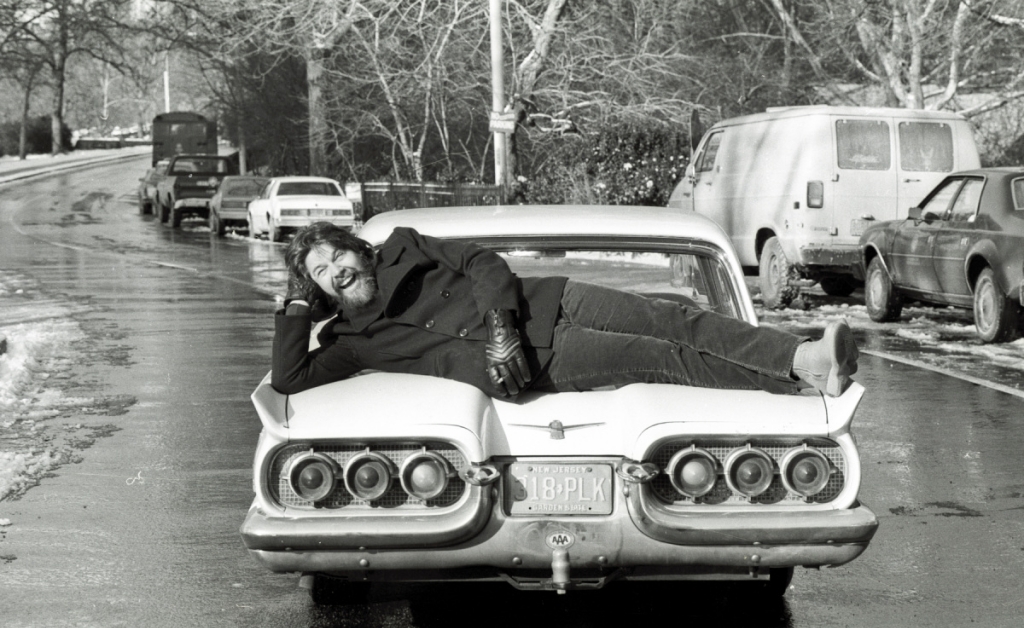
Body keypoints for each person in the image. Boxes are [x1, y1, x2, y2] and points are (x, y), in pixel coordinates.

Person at [272, 222, 858, 401]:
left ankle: (803, 356)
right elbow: (289, 378)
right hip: (539, 361)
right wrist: (297, 306)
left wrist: (501, 328)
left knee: (675, 319)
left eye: (334, 256)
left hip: (543, 301)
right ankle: (799, 381)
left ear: (356, 248)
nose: (335, 271)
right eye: (321, 274)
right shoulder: (350, 341)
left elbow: (484, 262)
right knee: (665, 358)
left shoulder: (404, 244)